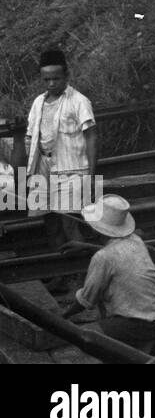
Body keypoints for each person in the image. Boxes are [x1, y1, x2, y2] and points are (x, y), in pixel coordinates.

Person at [13, 49, 98, 261]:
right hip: (43, 168)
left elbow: (92, 137)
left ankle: (84, 272)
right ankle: (60, 271)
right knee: (50, 222)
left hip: (72, 169)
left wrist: (91, 175)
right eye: (47, 79)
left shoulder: (78, 101)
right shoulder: (38, 103)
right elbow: (30, 139)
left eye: (56, 78)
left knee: (70, 221)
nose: (51, 84)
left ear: (66, 76)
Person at [62, 195, 155, 353]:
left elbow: (86, 300)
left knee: (81, 339)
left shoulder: (103, 257)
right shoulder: (136, 240)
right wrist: (87, 246)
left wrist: (63, 316)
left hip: (137, 324)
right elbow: (117, 254)